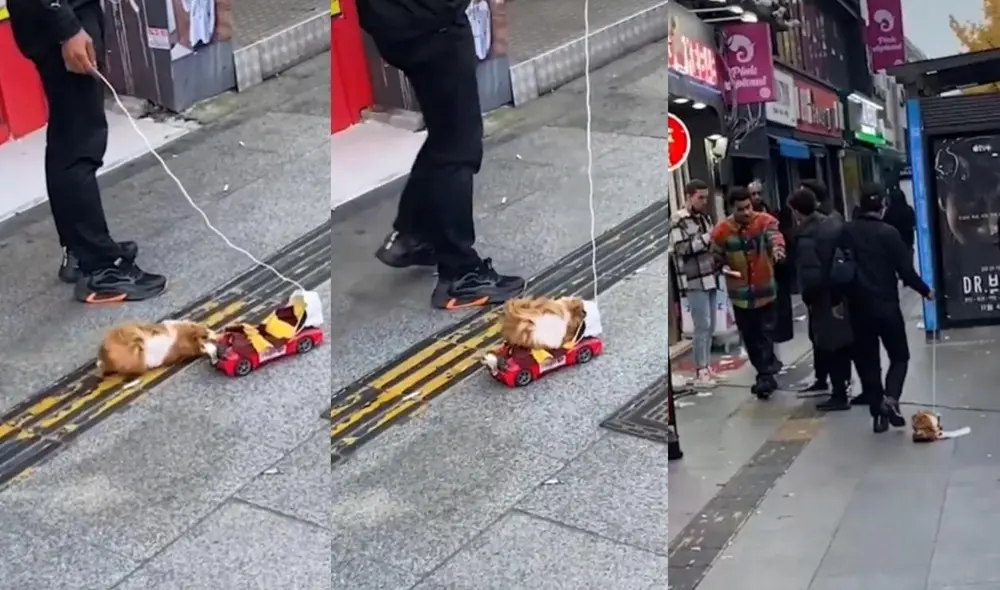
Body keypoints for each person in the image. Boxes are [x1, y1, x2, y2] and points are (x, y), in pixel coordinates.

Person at [356, 0, 525, 310]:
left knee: (446, 131)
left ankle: (414, 232)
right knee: (458, 145)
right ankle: (460, 273)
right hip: (432, 23)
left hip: (392, 22)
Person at [8, 0, 166, 302]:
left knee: (69, 134)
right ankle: (102, 269)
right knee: (78, 143)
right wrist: (68, 28)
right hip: (60, 20)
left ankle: (82, 252)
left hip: (63, 17)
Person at [841, 183, 934, 433]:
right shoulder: (889, 233)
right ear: (882, 206)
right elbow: (905, 271)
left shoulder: (846, 232)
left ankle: (878, 413)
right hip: (886, 307)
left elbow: (838, 269)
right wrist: (925, 291)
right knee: (899, 356)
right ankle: (891, 399)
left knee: (868, 362)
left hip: (857, 309)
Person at [711, 187, 786, 397]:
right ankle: (765, 373)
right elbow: (715, 257)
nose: (746, 212)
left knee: (766, 334)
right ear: (731, 208)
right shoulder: (722, 231)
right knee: (751, 338)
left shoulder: (764, 221)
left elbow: (775, 237)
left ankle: (765, 375)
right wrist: (720, 266)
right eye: (740, 209)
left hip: (765, 292)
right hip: (741, 296)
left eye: (748, 207)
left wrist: (778, 251)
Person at [786, 187, 854, 412]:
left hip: (822, 296)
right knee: (841, 342)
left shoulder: (807, 236)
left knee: (829, 343)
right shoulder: (831, 223)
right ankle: (844, 383)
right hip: (840, 290)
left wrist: (808, 296)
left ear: (796, 211)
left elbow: (810, 272)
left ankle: (838, 393)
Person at [669, 180, 723, 389]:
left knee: (710, 326)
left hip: (710, 274)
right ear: (688, 196)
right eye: (700, 197)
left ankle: (707, 367)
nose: (703, 201)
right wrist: (708, 237)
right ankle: (700, 370)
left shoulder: (705, 218)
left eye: (705, 198)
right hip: (693, 279)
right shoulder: (678, 220)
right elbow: (681, 248)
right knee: (702, 325)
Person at [882, 187, 916, 256]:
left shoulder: (889, 213)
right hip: (908, 243)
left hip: (894, 245)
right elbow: (913, 223)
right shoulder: (909, 210)